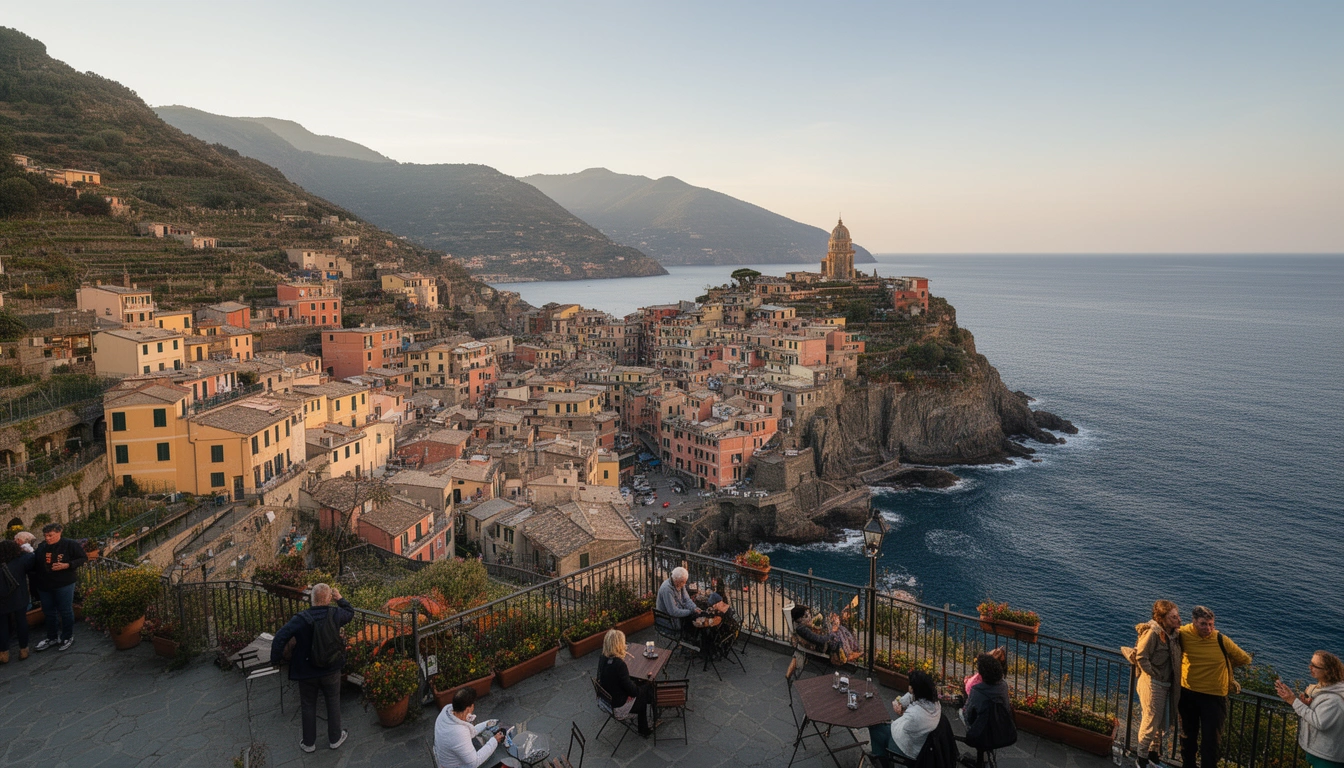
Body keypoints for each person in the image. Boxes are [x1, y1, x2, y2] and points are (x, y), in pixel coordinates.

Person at [270, 583, 354, 752]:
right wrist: (341, 599)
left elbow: (279, 637)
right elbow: (350, 613)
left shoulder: (301, 619)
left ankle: (309, 743)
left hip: (306, 670)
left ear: (312, 599)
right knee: (332, 702)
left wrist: (276, 660)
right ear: (329, 598)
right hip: (331, 668)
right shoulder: (335, 614)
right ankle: (335, 739)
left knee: (308, 704)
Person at [1177, 605, 1251, 768]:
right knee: (1188, 735)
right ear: (1194, 622)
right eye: (1203, 624)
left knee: (1211, 740)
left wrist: (1226, 666)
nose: (1208, 628)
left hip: (1215, 696)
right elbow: (1162, 632)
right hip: (1188, 693)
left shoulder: (1220, 639)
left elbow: (1245, 658)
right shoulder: (1183, 633)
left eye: (1211, 624)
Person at [1134, 600, 1183, 768]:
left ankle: (1153, 756)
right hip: (1153, 684)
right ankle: (1141, 758)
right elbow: (1141, 656)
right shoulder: (1153, 633)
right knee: (1150, 721)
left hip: (1164, 684)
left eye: (1178, 616)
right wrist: (1153, 672)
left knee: (1159, 722)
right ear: (1162, 618)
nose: (1179, 620)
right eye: (1174, 617)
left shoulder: (1173, 635)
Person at [1275, 651, 1344, 768]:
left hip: (1327, 758)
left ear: (1327, 671)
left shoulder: (1334, 699)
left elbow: (1320, 723)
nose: (1310, 668)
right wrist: (1307, 706)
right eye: (1310, 664)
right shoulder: (1324, 689)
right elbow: (1321, 714)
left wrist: (1293, 701)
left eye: (1315, 666)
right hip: (1319, 754)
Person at [434, 685, 520, 768]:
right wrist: (494, 740)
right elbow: (474, 763)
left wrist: (486, 724)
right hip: (455, 766)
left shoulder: (446, 711)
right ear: (468, 708)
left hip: (444, 758)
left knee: (482, 739)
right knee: (490, 754)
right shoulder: (459, 733)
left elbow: (470, 732)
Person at [31, 523, 86, 652]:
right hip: (45, 585)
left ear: (59, 532)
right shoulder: (42, 547)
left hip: (64, 584)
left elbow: (83, 558)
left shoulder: (70, 544)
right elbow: (35, 564)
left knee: (65, 610)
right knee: (48, 612)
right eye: (45, 536)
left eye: (50, 535)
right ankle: (52, 637)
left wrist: (67, 565)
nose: (47, 538)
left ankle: (67, 636)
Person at [868, 668, 942, 762]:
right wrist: (903, 702)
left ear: (914, 688)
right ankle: (879, 755)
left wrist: (899, 712)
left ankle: (881, 758)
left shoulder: (915, 714)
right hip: (920, 743)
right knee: (881, 727)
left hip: (905, 747)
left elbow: (902, 728)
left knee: (876, 729)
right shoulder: (935, 704)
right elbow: (911, 697)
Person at [596, 629, 657, 736]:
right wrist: (643, 684)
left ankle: (651, 705)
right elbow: (633, 691)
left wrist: (630, 691)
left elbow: (612, 680)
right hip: (618, 706)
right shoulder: (619, 664)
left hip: (606, 701)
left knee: (640, 685)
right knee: (647, 686)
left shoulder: (603, 658)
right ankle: (645, 728)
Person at [962, 653, 1016, 767]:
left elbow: (968, 714)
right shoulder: (1003, 686)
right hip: (1002, 728)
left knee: (962, 714)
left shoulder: (977, 690)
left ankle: (981, 755)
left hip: (983, 732)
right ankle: (985, 754)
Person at [0, 539, 36, 663]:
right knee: (21, 622)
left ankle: (3, 653)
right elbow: (33, 557)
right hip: (19, 597)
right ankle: (23, 650)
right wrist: (25, 550)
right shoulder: (21, 560)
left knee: (2, 626)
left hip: (1, 600)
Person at [655, 566, 702, 632]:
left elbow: (687, 599)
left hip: (678, 613)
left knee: (697, 616)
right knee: (694, 621)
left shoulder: (679, 584)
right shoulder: (667, 589)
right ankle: (690, 638)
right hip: (669, 620)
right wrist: (691, 611)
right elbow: (673, 612)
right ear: (676, 580)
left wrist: (694, 608)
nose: (684, 584)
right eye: (683, 582)